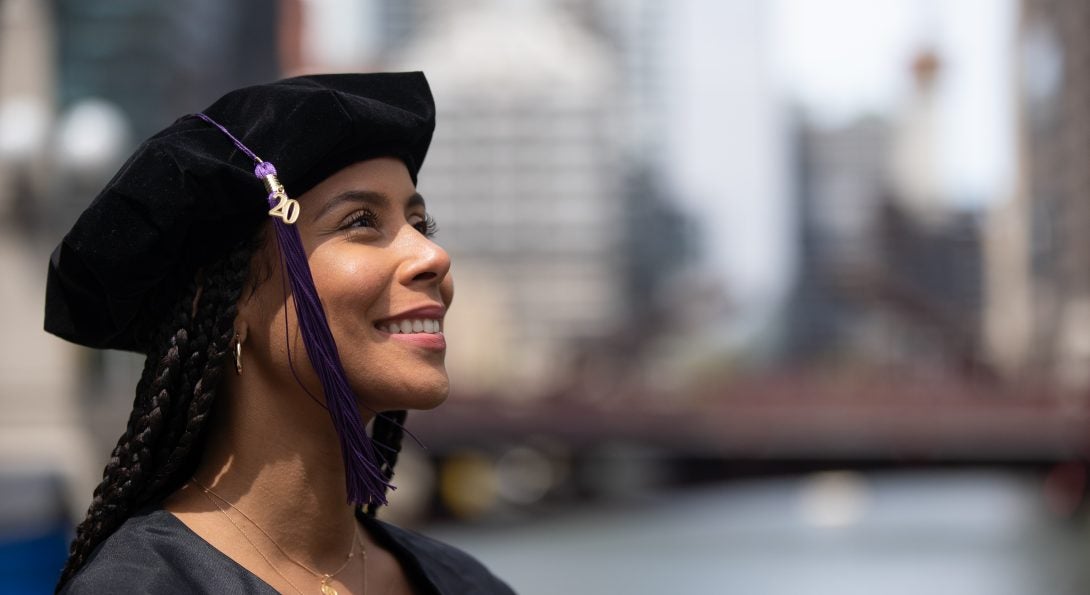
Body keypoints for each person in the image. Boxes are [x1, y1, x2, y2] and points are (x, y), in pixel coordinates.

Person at [45, 72, 516, 594]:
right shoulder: (144, 587)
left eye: (420, 225)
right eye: (360, 221)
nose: (433, 256)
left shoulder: (465, 584)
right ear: (226, 301)